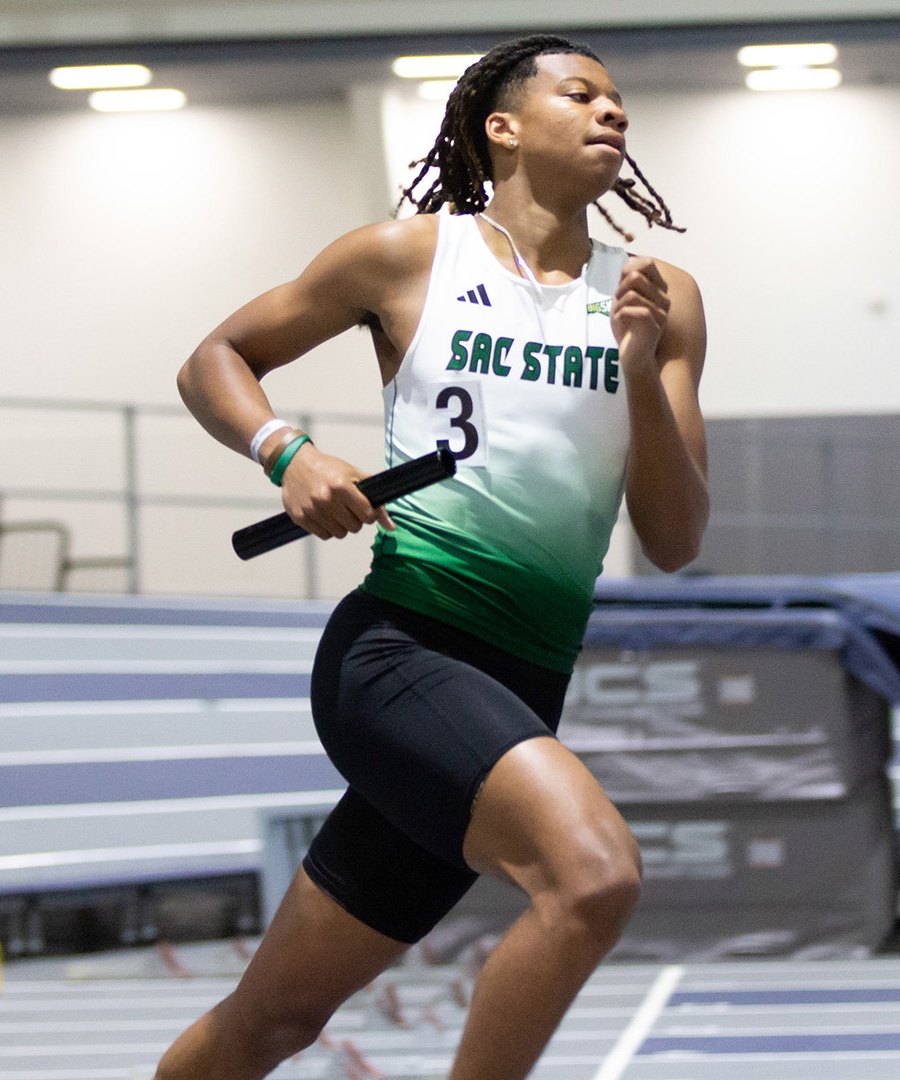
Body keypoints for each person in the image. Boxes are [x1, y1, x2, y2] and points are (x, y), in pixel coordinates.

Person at [164, 34, 708, 1080]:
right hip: (403, 654)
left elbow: (676, 540)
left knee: (274, 1020)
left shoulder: (658, 297)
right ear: (502, 127)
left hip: (520, 690)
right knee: (593, 877)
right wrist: (290, 453)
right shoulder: (407, 257)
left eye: (621, 103)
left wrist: (639, 371)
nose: (614, 114)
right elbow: (213, 360)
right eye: (582, 95)